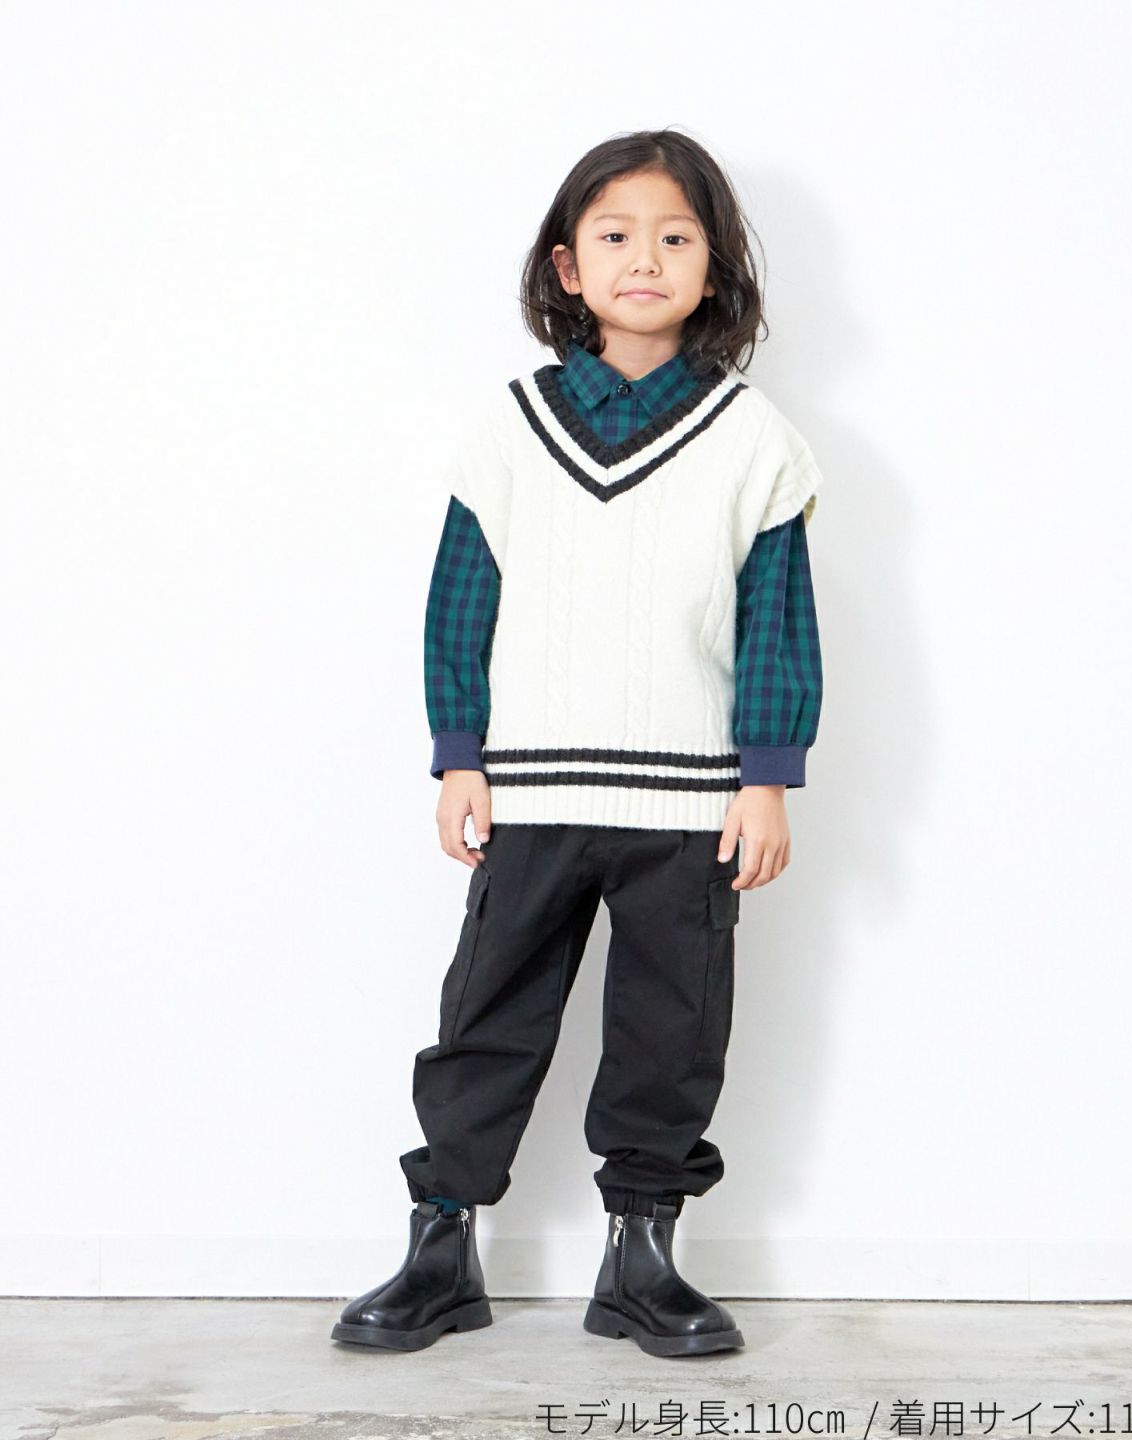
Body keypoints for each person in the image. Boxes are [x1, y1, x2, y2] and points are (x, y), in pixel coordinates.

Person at [332, 126, 826, 1360]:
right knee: (487, 1015)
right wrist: (459, 754)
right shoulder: (510, 431)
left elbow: (777, 619)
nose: (644, 259)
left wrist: (767, 779)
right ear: (567, 266)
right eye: (615, 236)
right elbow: (461, 603)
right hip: (533, 792)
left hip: (692, 806)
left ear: (713, 269)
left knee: (673, 1031)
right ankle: (441, 1248)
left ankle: (641, 1259)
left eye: (675, 237)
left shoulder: (752, 439)